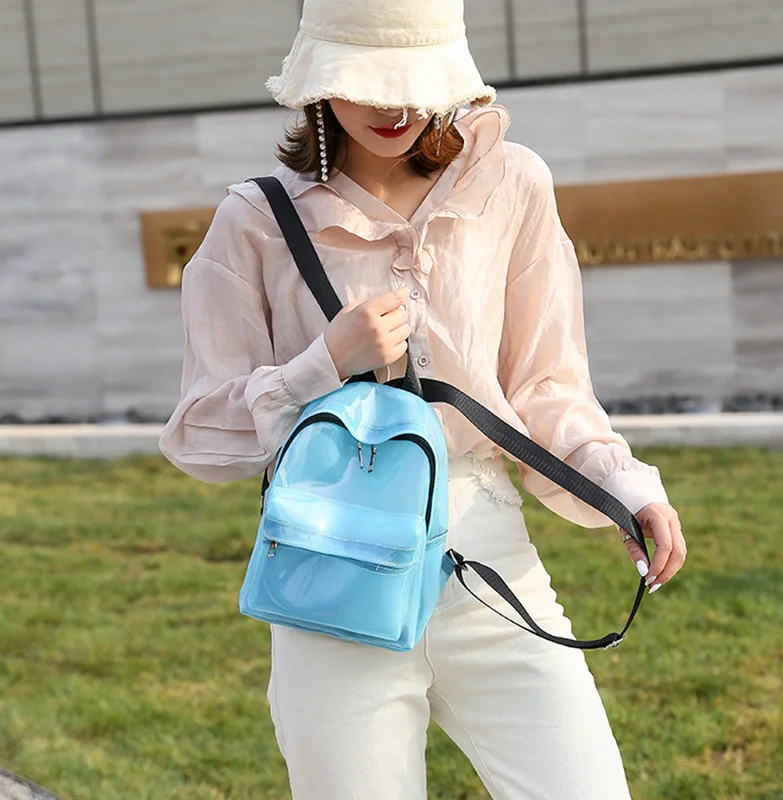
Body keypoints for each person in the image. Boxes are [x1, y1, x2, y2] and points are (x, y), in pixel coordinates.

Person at [158, 0, 688, 797]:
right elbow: (201, 431)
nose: (395, 106)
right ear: (320, 77)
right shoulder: (257, 220)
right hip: (333, 575)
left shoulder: (509, 183)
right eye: (366, 81)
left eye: (413, 80)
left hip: (488, 558)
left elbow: (545, 385)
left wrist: (623, 487)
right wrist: (323, 364)